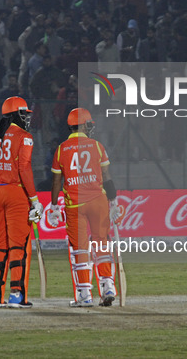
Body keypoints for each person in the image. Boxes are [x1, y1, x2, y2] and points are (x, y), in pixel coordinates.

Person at [47, 108, 124, 307]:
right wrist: (114, 201)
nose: (90, 127)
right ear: (81, 125)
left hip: (75, 204)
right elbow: (107, 177)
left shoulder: (61, 149)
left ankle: (84, 294)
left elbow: (56, 182)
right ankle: (107, 286)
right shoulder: (97, 146)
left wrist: (55, 206)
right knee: (102, 244)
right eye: (88, 124)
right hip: (98, 201)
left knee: (79, 249)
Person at [0, 96, 43, 309]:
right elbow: (24, 169)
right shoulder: (24, 137)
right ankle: (16, 294)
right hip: (16, 193)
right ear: (15, 114)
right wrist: (34, 200)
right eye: (24, 113)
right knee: (18, 244)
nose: (27, 118)